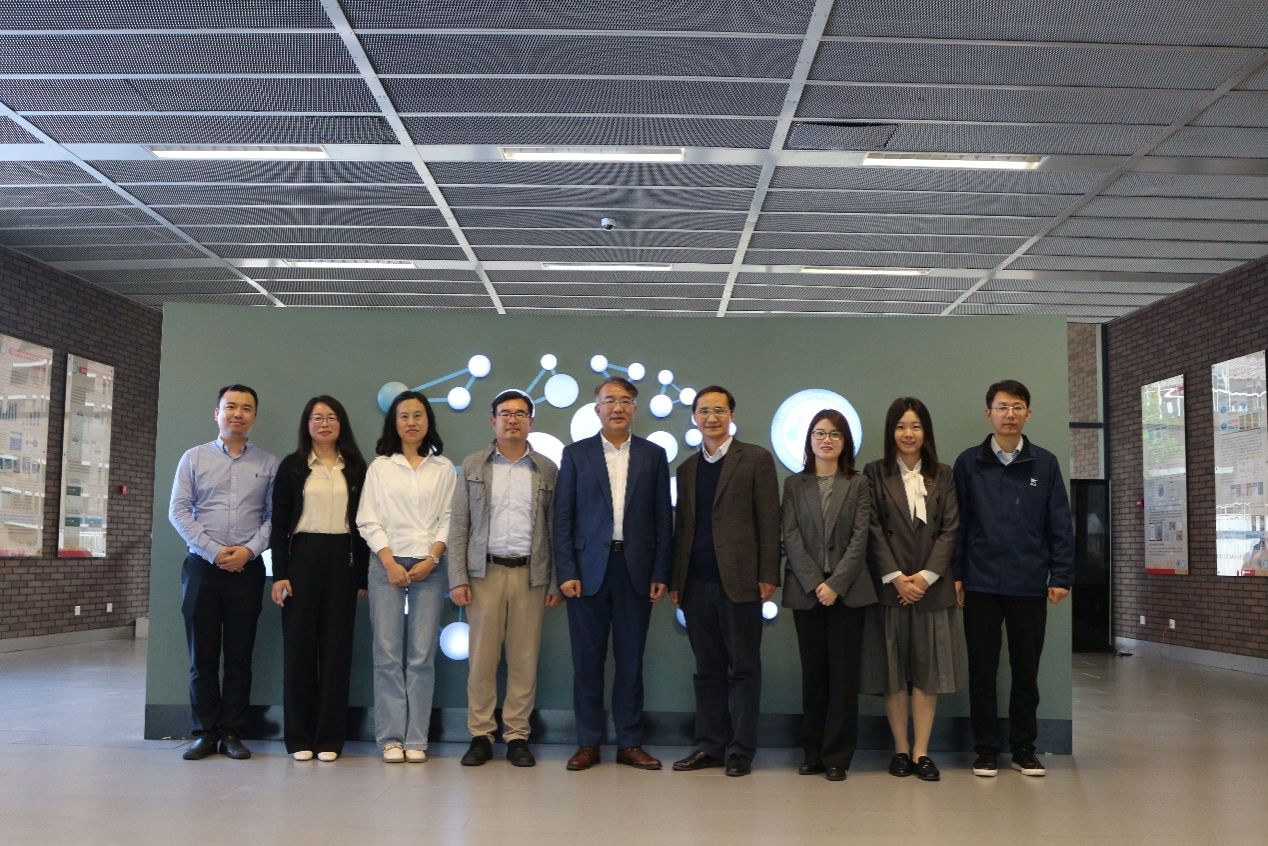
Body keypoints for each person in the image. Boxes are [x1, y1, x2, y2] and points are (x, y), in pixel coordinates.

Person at [953, 379, 1074, 778]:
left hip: (1028, 582)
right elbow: (957, 524)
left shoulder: (1045, 464)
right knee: (982, 671)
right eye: (1002, 407)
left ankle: (1024, 749)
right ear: (988, 413)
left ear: (1028, 413)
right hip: (980, 582)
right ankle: (986, 750)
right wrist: (956, 574)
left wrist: (1061, 575)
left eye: (1017, 407)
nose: (1009, 414)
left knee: (1026, 672)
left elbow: (1060, 522)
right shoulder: (968, 463)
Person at [554, 376, 672, 772]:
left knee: (631, 662)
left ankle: (630, 743)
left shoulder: (653, 456)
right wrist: (566, 570)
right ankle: (588, 743)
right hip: (586, 573)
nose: (617, 407)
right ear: (597, 409)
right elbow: (563, 517)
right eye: (609, 401)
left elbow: (663, 518)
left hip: (635, 570)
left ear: (635, 408)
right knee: (587, 662)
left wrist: (661, 570)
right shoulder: (576, 454)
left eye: (625, 401)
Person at [669, 385, 780, 778]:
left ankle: (741, 749)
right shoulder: (687, 469)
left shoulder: (756, 459)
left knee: (744, 669)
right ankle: (710, 746)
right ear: (694, 417)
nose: (711, 417)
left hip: (742, 581)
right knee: (707, 669)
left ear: (732, 415)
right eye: (703, 411)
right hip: (696, 583)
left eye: (719, 410)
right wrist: (676, 580)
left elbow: (769, 519)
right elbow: (683, 528)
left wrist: (768, 573)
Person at [449, 390, 560, 768]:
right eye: (505, 413)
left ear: (531, 421)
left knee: (524, 660)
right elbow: (459, 525)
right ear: (493, 420)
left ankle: (517, 736)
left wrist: (554, 580)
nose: (512, 420)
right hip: (484, 574)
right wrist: (458, 578)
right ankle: (481, 734)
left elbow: (555, 527)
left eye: (520, 414)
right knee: (482, 660)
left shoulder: (546, 469)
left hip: (531, 575)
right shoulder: (474, 465)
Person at [169, 384, 278, 761]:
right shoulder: (193, 457)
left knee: (239, 656)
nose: (237, 414)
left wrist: (248, 550)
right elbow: (178, 511)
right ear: (216, 413)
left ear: (254, 417)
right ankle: (204, 733)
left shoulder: (268, 463)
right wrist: (214, 552)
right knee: (202, 657)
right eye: (230, 407)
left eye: (246, 408)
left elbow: (274, 517)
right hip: (202, 569)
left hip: (247, 570)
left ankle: (232, 733)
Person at [861, 397, 963, 782]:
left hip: (931, 589)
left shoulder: (944, 474)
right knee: (892, 673)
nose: (908, 433)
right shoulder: (874, 473)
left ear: (926, 432)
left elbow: (950, 529)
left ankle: (922, 751)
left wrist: (925, 577)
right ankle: (900, 749)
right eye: (901, 426)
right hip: (890, 589)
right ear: (892, 431)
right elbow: (871, 528)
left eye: (916, 426)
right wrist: (896, 577)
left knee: (927, 672)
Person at [356, 390, 454, 764]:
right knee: (386, 654)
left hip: (431, 566)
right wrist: (389, 562)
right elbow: (367, 518)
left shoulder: (443, 468)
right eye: (404, 416)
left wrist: (433, 557)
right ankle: (391, 738)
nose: (411, 422)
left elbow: (450, 518)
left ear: (428, 421)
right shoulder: (380, 467)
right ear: (393, 423)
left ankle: (417, 739)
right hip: (387, 565)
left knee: (422, 656)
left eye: (418, 415)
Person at [269, 395, 369, 763]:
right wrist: (279, 574)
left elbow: (364, 526)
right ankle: (299, 737)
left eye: (331, 417)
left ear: (341, 424)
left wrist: (362, 577)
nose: (324, 424)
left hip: (343, 560)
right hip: (302, 559)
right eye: (316, 418)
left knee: (336, 652)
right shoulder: (292, 467)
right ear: (306, 424)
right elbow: (279, 524)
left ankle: (329, 738)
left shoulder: (355, 467)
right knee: (298, 651)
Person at [781, 409, 875, 782]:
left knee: (843, 678)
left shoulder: (859, 483)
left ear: (845, 441)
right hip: (806, 592)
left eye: (835, 434)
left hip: (847, 593)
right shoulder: (794, 485)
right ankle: (813, 752)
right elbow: (790, 536)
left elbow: (861, 537)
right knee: (814, 676)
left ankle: (837, 755)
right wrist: (814, 582)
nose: (826, 440)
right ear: (809, 440)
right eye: (819, 433)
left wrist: (835, 584)